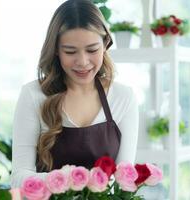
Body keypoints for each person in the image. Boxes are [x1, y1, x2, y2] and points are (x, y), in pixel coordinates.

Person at [10, 0, 139, 188]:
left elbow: (124, 180)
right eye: (70, 51)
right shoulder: (33, 95)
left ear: (105, 44)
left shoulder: (123, 97)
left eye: (92, 50)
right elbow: (18, 178)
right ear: (55, 50)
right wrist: (71, 179)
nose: (82, 61)